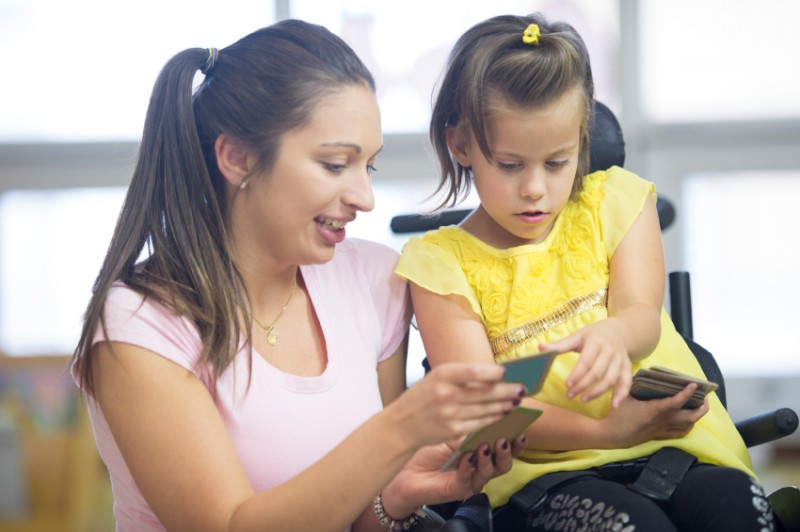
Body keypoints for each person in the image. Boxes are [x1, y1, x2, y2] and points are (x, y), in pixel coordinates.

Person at [70, 19, 530, 532]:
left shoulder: (374, 281)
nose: (364, 198)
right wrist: (400, 430)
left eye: (369, 168)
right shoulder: (139, 326)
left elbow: (360, 518)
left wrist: (395, 498)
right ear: (238, 158)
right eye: (336, 164)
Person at [395, 13, 777, 532]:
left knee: (736, 507)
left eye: (557, 162)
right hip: (540, 478)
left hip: (671, 444)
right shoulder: (438, 265)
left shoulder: (617, 202)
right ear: (461, 145)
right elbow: (486, 415)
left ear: (582, 140)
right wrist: (611, 432)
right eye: (510, 165)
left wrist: (615, 335)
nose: (535, 189)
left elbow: (642, 315)